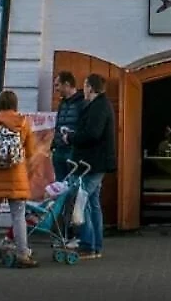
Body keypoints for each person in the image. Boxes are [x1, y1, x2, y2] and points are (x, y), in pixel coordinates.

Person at [0, 89, 38, 269]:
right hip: (16, 176)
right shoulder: (24, 124)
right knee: (18, 216)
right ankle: (22, 255)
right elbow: (31, 152)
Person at [63, 73, 115, 261]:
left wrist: (71, 137)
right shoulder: (99, 105)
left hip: (92, 163)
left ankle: (88, 245)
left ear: (91, 88)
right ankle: (95, 244)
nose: (82, 89)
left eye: (84, 86)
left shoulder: (98, 107)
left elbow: (93, 133)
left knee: (82, 201)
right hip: (94, 162)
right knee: (92, 203)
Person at [51, 71, 85, 182]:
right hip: (59, 150)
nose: (55, 89)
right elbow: (58, 124)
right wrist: (54, 143)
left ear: (66, 84)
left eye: (57, 85)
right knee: (59, 186)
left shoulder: (82, 103)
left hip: (72, 151)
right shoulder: (62, 103)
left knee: (72, 186)